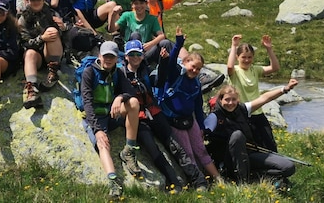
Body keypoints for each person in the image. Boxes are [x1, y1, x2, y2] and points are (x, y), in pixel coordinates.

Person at [122, 40, 211, 192]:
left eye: (138, 54)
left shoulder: (145, 70)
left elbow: (159, 82)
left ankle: (199, 181)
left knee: (174, 145)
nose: (136, 57)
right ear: (126, 56)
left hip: (153, 111)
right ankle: (174, 183)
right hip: (138, 117)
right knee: (153, 148)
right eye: (132, 54)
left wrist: (163, 62)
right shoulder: (121, 73)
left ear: (143, 56)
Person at [154, 26, 220, 188]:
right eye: (193, 66)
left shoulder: (196, 83)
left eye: (198, 68)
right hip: (174, 120)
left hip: (190, 120)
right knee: (188, 152)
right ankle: (200, 181)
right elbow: (170, 63)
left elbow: (198, 106)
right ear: (184, 63)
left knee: (200, 149)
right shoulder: (175, 74)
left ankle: (218, 179)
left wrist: (202, 125)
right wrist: (178, 43)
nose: (195, 70)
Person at [204, 80, 298, 186]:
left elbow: (265, 98)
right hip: (228, 161)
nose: (230, 103)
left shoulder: (243, 109)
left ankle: (255, 177)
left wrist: (285, 89)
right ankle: (242, 181)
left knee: (288, 167)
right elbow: (201, 138)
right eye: (227, 99)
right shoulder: (214, 117)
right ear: (220, 100)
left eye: (234, 99)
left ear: (238, 100)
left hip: (249, 155)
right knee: (237, 135)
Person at [81, 41, 141, 199]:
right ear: (99, 56)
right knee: (103, 143)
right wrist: (97, 129)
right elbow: (87, 103)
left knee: (133, 103)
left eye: (111, 56)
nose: (108, 59)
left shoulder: (117, 73)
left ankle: (129, 150)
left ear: (116, 58)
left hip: (111, 114)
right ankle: (113, 181)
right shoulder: (89, 73)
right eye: (105, 56)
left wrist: (120, 97)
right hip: (95, 117)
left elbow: (131, 94)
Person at [146, 0, 224, 92]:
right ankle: (200, 74)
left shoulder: (160, 3)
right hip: (149, 45)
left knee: (180, 49)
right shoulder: (142, 6)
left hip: (159, 41)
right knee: (169, 44)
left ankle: (198, 72)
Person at [227, 34, 281, 152]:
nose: (247, 60)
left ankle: (276, 167)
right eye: (243, 57)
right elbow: (229, 66)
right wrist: (234, 46)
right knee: (252, 146)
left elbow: (275, 68)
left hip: (258, 112)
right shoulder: (235, 71)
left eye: (249, 57)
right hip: (242, 114)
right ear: (237, 57)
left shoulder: (255, 69)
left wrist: (269, 49)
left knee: (270, 144)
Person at [18, 0, 64, 108]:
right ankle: (32, 90)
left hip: (51, 51)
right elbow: (24, 42)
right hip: (35, 56)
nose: (36, 2)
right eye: (33, 0)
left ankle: (53, 72)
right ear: (28, 1)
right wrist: (42, 38)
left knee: (52, 31)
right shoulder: (23, 19)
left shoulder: (51, 13)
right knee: (29, 53)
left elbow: (63, 33)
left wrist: (62, 27)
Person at [107, 0, 168, 66]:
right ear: (132, 5)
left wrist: (151, 44)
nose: (139, 6)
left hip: (144, 52)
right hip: (129, 51)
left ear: (146, 4)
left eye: (141, 3)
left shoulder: (152, 19)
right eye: (136, 3)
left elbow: (162, 35)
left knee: (166, 43)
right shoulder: (127, 16)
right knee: (135, 35)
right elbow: (111, 29)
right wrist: (113, 15)